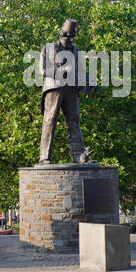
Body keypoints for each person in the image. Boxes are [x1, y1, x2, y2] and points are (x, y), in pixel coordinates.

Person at [39, 19, 97, 164]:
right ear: (61, 35)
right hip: (54, 88)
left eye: (72, 38)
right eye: (67, 37)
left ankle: (78, 156)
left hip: (72, 88)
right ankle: (45, 157)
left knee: (74, 121)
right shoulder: (49, 48)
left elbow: (82, 72)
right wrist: (63, 70)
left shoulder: (76, 51)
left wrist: (90, 81)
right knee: (50, 120)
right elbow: (43, 71)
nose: (70, 40)